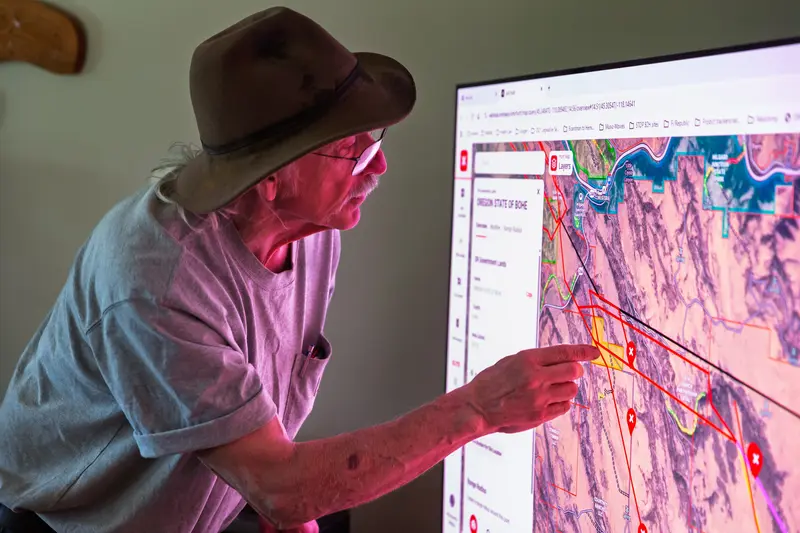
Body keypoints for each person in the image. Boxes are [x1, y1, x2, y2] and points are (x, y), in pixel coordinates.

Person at [0, 6, 598, 533]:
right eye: (354, 148)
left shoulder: (312, 227)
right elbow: (279, 482)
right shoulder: (155, 281)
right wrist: (480, 408)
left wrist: (281, 501)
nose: (380, 164)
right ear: (271, 178)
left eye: (375, 137)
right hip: (63, 523)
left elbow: (257, 425)